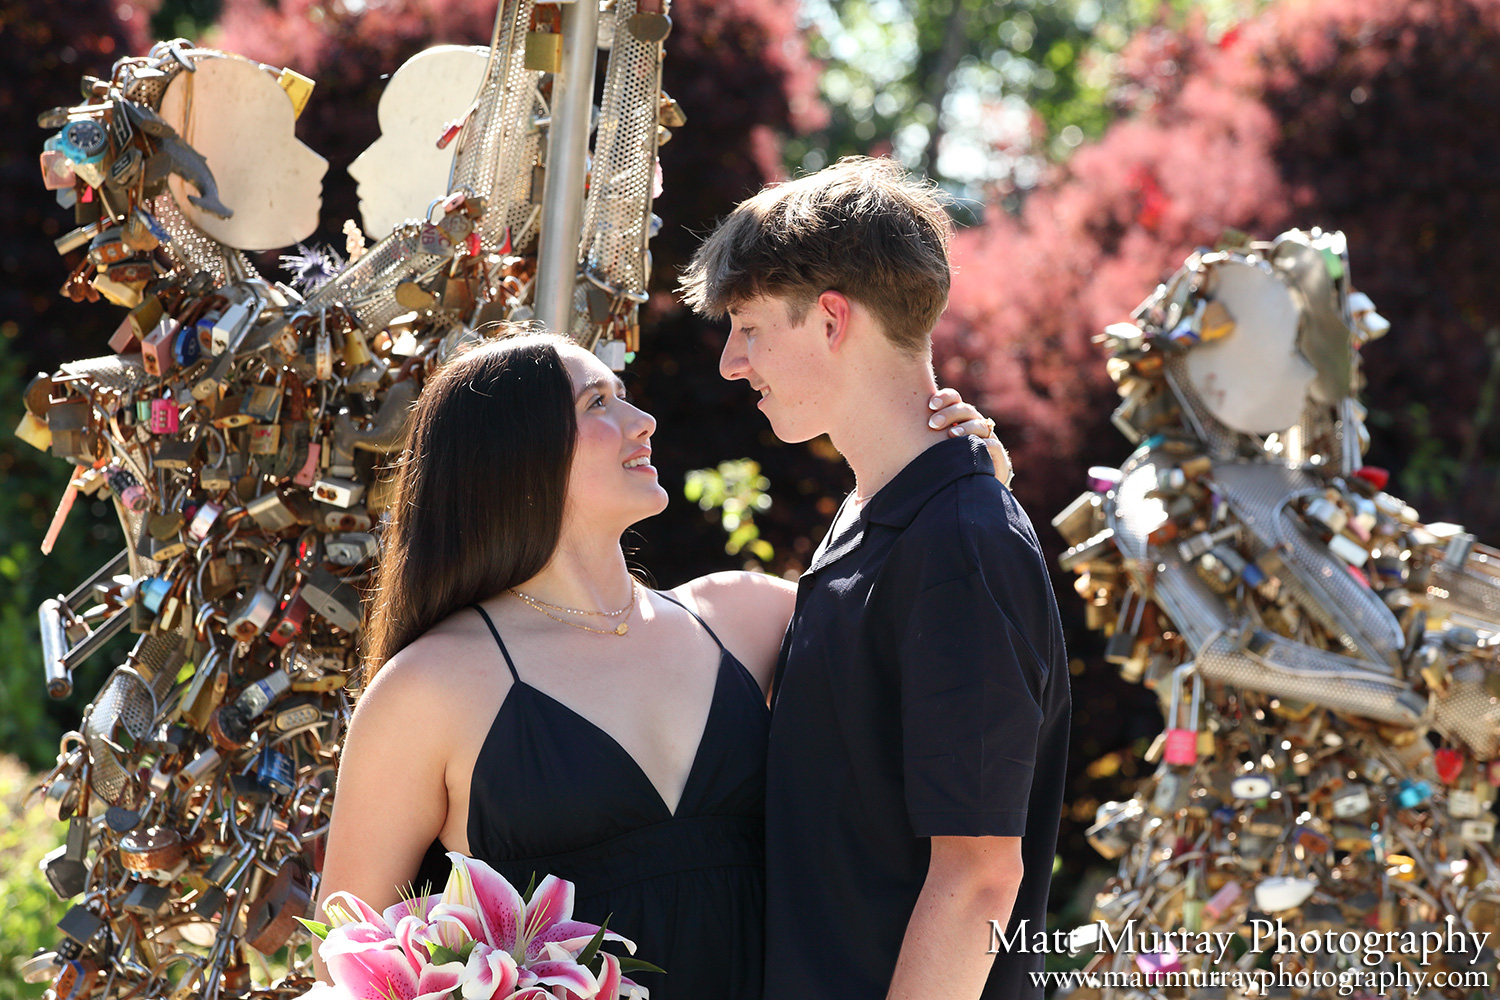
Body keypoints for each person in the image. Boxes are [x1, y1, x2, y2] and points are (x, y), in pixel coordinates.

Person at [316, 329, 1005, 999]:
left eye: (624, 396)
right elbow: (349, 967)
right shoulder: (429, 689)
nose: (642, 420)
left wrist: (964, 494)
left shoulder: (746, 618)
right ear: (511, 451)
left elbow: (941, 638)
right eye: (598, 403)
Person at [680, 156, 1071, 1000]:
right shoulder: (883, 518)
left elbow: (979, 879)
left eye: (748, 327)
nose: (732, 363)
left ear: (831, 319)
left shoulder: (959, 542)